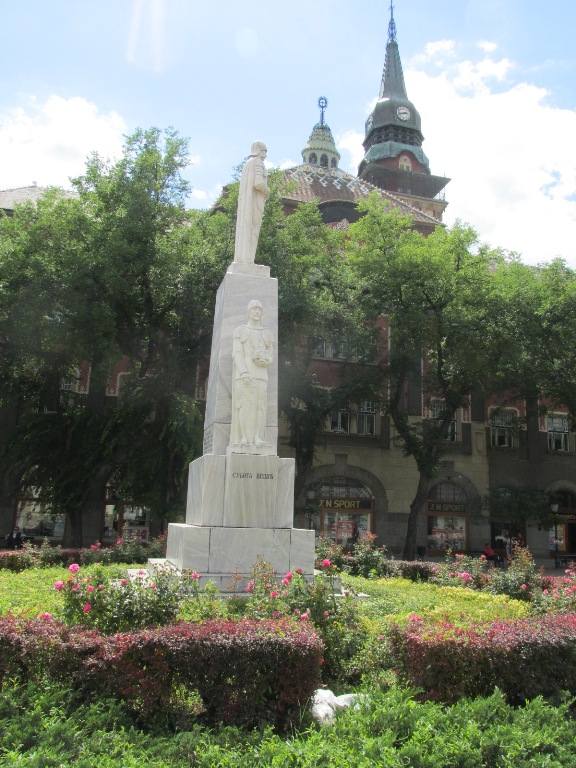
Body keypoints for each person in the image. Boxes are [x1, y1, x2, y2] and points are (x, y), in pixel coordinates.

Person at [229, 300, 273, 451]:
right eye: (254, 309)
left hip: (261, 373)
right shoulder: (240, 330)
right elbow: (236, 353)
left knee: (260, 406)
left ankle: (258, 438)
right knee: (243, 406)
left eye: (260, 309)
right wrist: (244, 372)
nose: (257, 312)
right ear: (248, 311)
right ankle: (244, 438)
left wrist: (264, 361)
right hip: (244, 372)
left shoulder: (267, 333)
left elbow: (271, 357)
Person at [233, 141, 270, 265]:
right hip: (256, 202)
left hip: (249, 202)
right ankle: (249, 260)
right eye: (264, 151)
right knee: (254, 230)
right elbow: (258, 183)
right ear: (259, 151)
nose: (265, 155)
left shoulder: (248, 165)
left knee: (247, 229)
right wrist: (268, 191)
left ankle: (244, 259)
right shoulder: (258, 163)